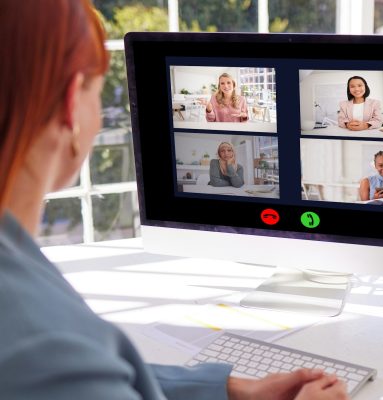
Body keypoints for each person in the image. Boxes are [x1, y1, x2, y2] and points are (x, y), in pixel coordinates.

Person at [0, 1, 347, 399]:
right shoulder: (31, 343)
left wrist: (234, 390)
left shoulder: (16, 264)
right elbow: (66, 371)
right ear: (70, 104)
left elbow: (90, 371)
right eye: (96, 95)